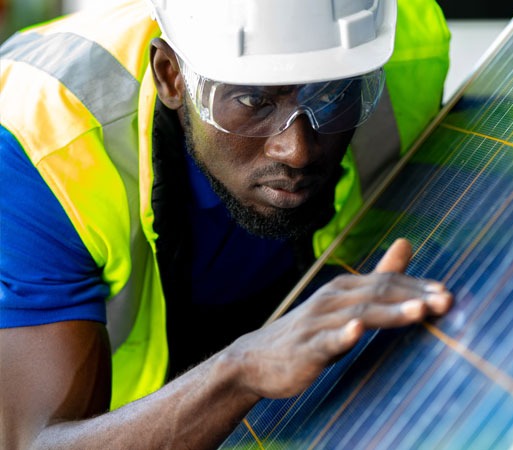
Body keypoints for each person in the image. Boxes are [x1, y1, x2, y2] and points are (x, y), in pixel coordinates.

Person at [0, 0, 452, 447]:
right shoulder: (45, 150)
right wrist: (243, 368)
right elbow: (33, 443)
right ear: (171, 76)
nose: (296, 151)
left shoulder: (395, 41)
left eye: (330, 95)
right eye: (252, 99)